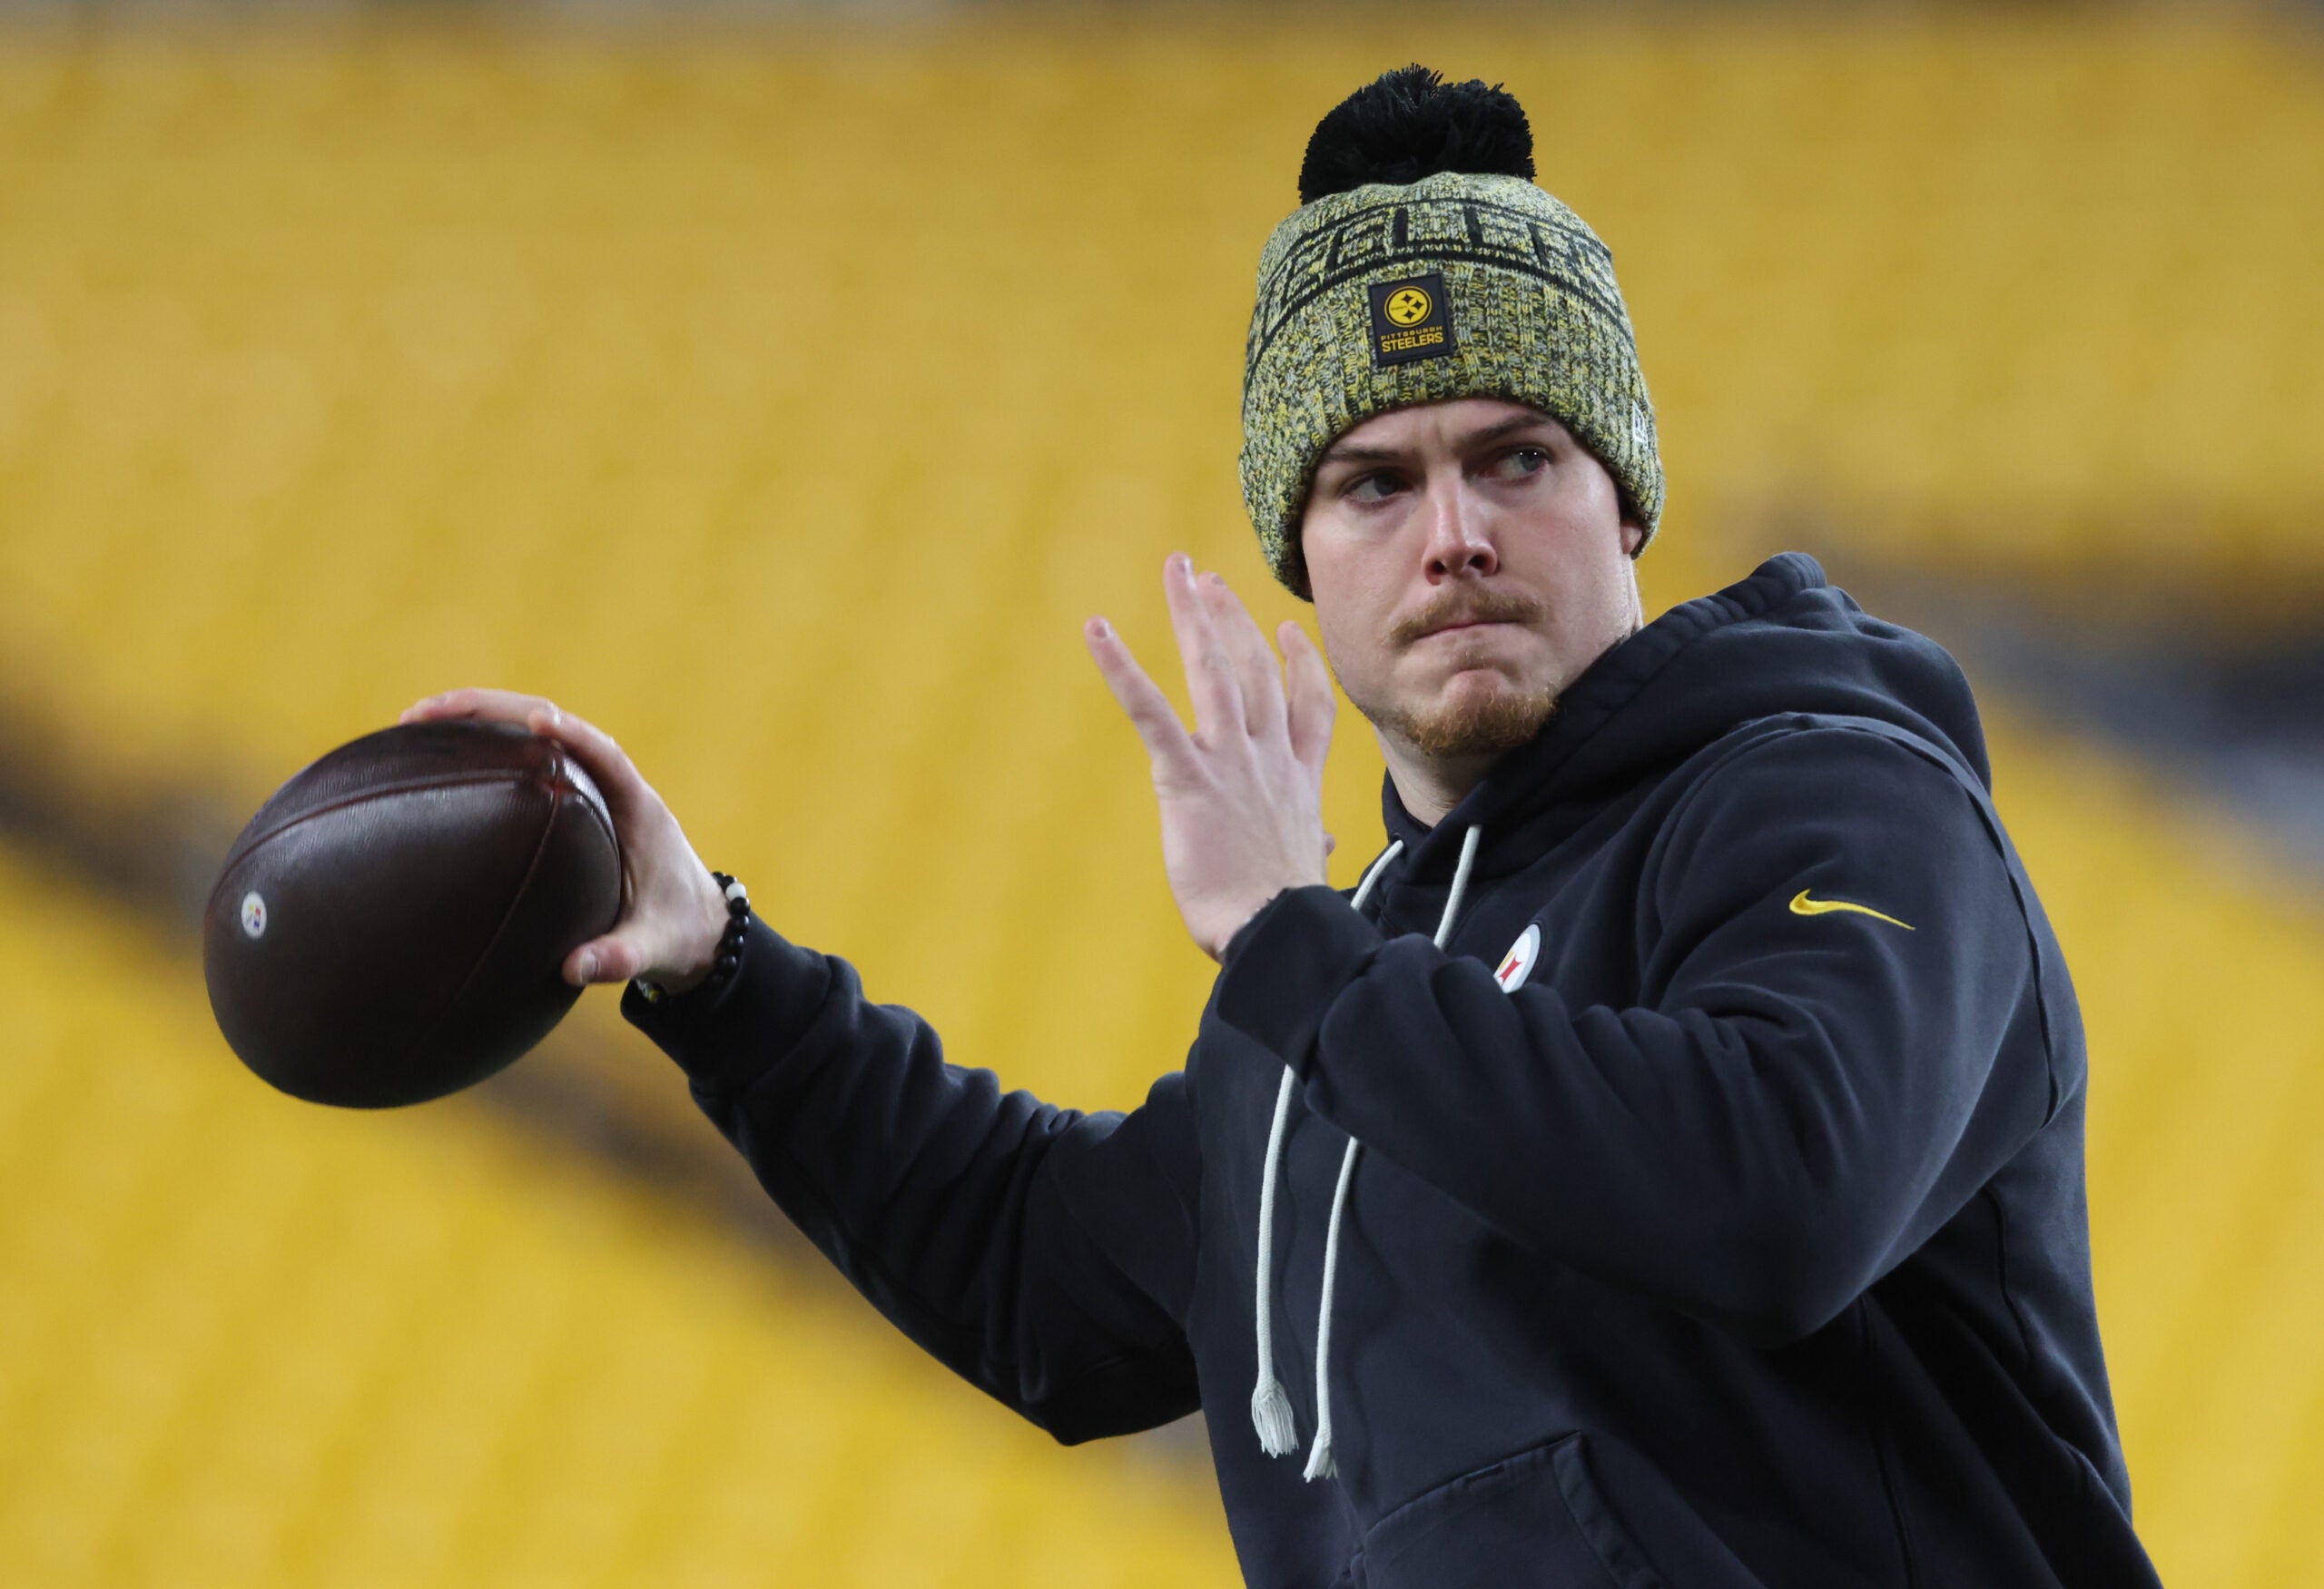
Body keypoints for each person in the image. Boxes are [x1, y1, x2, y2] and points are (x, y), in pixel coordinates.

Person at [405, 66, 2161, 1589]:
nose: (1453, 533)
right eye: (1374, 483)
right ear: (1304, 562)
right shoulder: (1358, 981)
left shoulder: (1832, 790)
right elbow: (1039, 1276)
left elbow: (1779, 1190)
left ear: (1626, 497)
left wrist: (1291, 950)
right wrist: (715, 964)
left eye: (1517, 457)